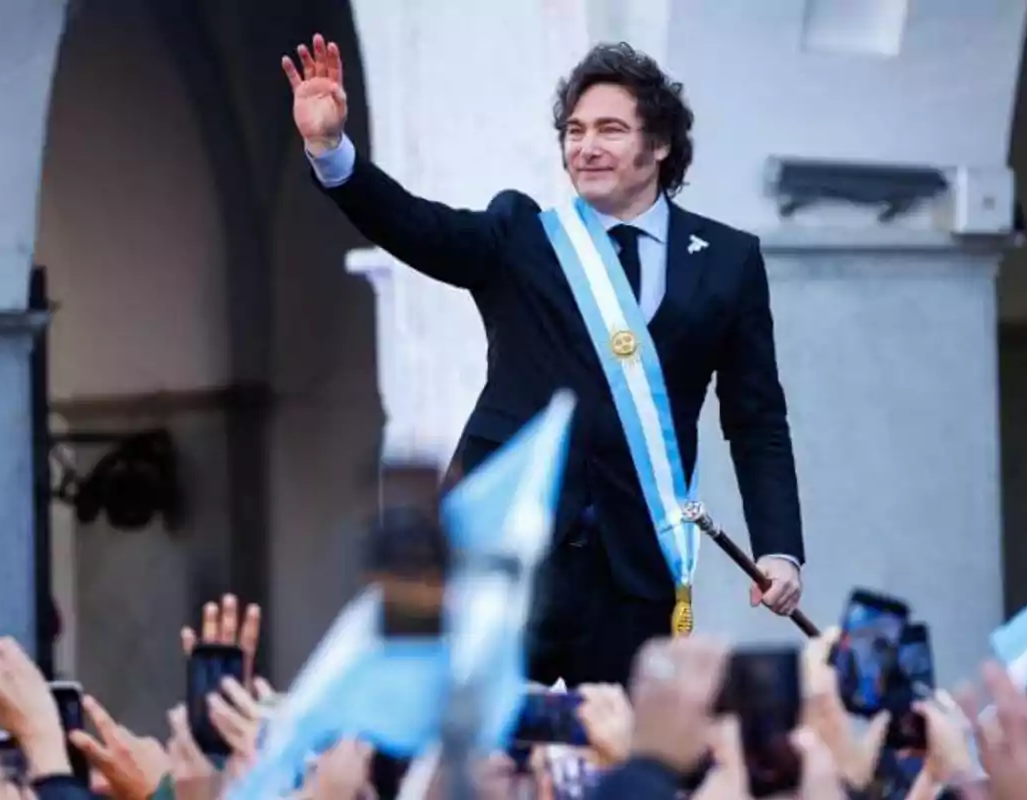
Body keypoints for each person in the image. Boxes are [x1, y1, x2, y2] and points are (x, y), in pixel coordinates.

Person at [281, 34, 804, 686]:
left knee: (616, 768)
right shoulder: (520, 237)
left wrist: (779, 549)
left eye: (610, 129)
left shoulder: (727, 260)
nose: (585, 147)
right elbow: (416, 226)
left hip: (635, 568)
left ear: (660, 145)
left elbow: (756, 420)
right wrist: (332, 152)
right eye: (575, 130)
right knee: (483, 767)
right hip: (503, 556)